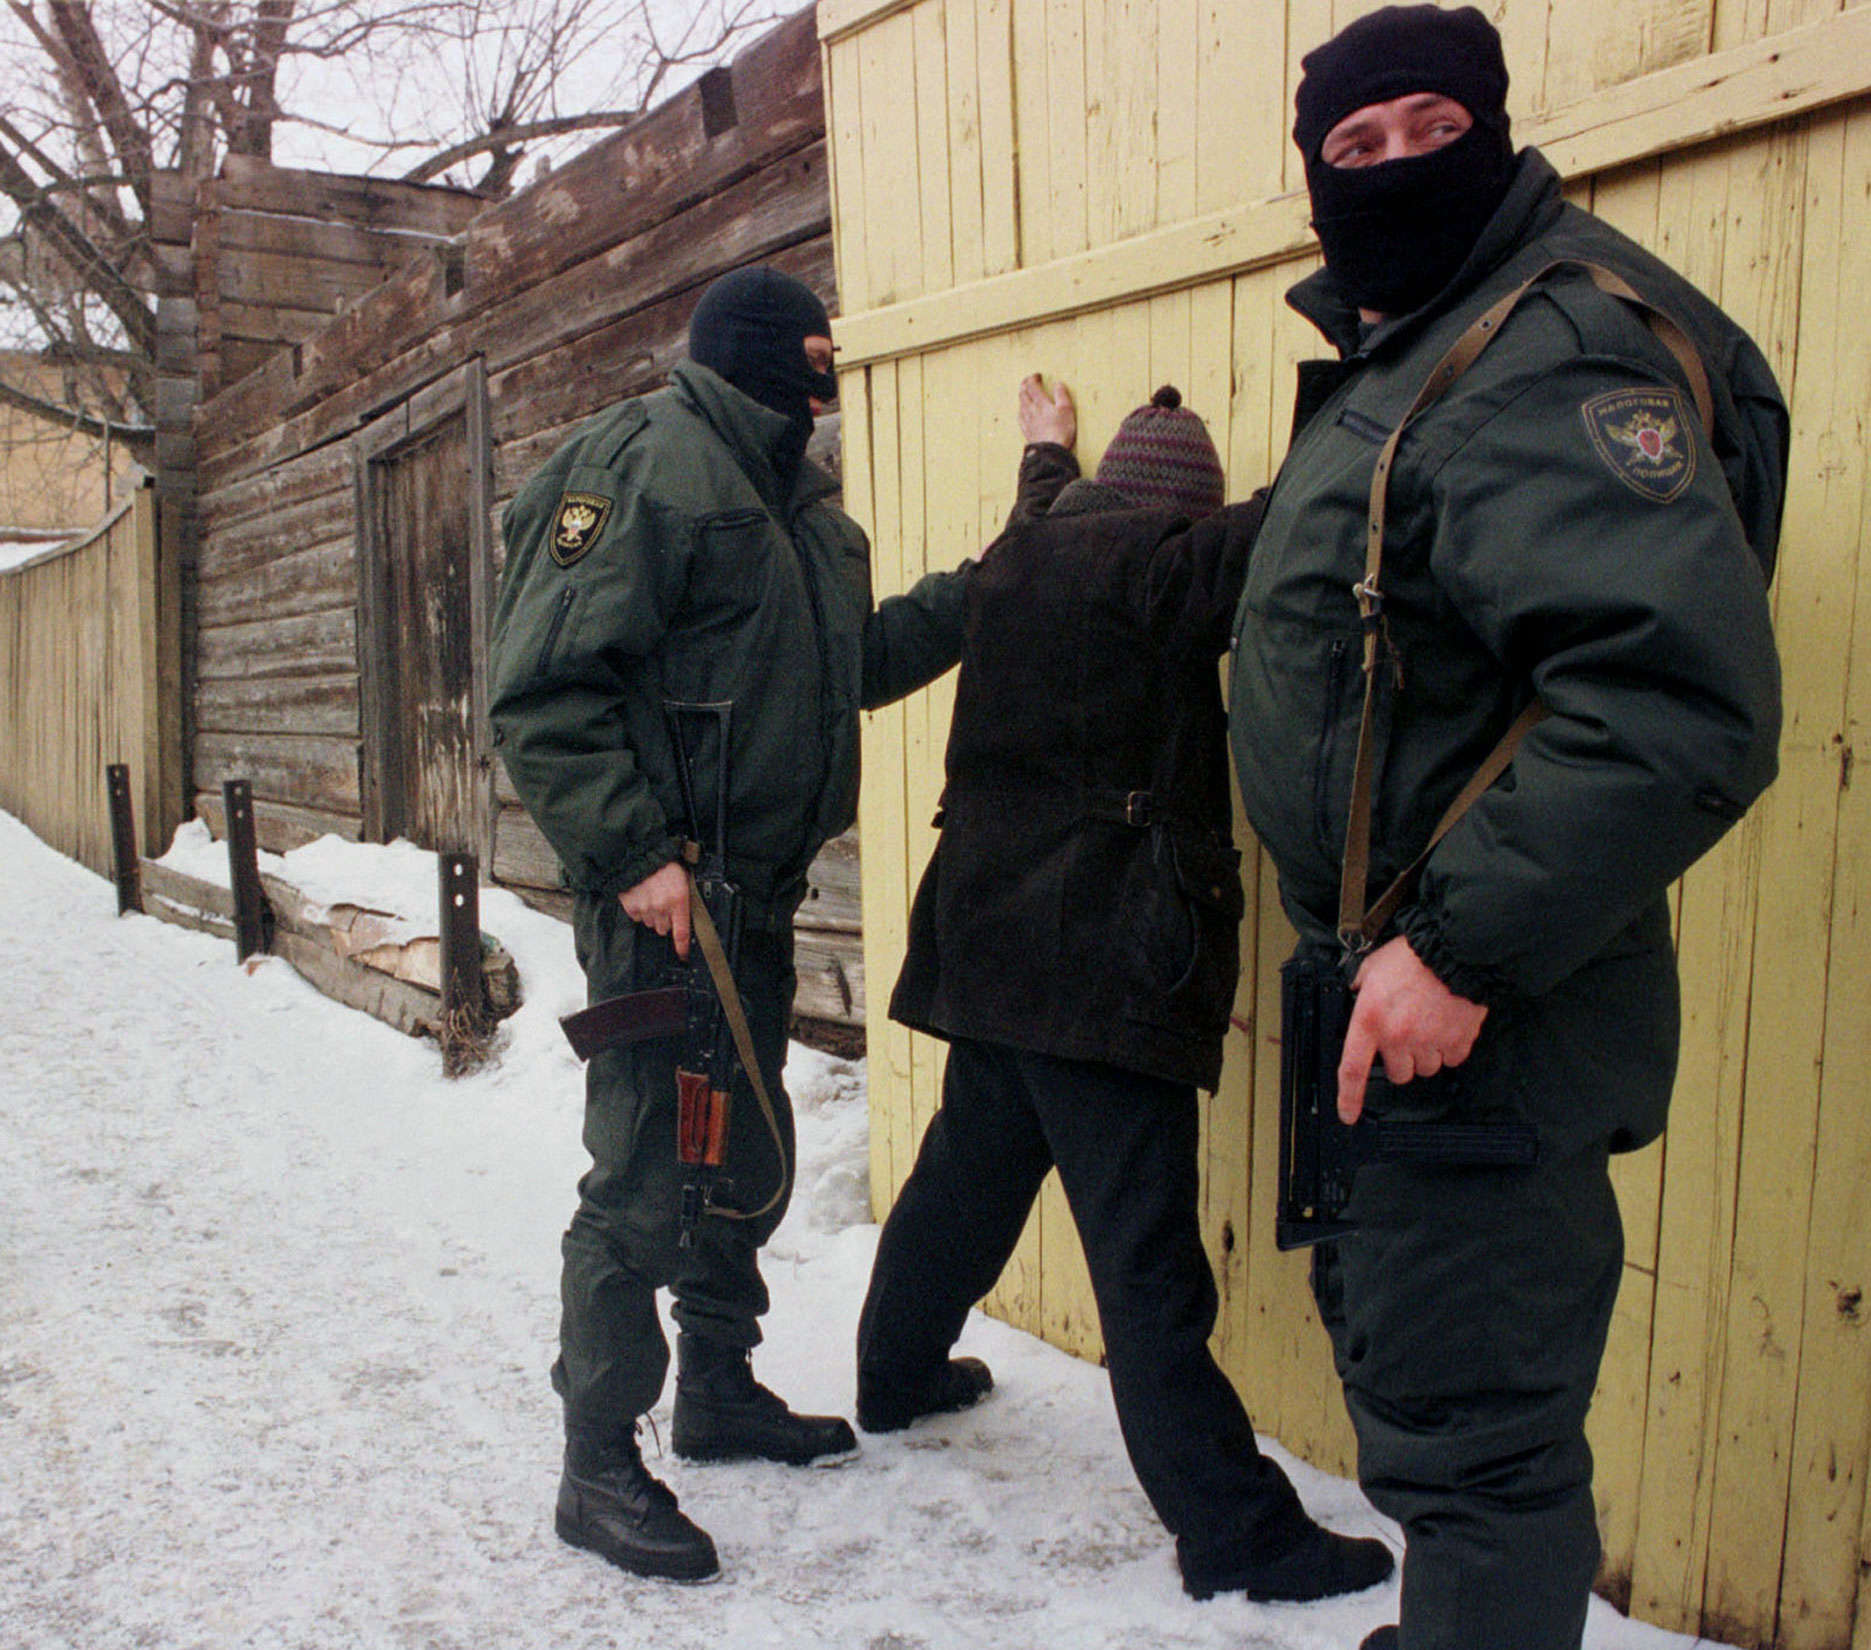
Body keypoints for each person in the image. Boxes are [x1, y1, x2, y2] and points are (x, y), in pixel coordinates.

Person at [1226, 9, 1785, 1648]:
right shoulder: (1436, 343)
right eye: (1357, 144)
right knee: (1436, 1410)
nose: (1396, 162)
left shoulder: (1543, 352)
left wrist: (1454, 947)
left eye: (1429, 125)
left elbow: (1673, 701)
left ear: (1493, 127)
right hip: (1412, 997)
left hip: (1471, 1010)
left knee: (1478, 1459)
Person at [855, 377, 1397, 1605]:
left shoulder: (1019, 552)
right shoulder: (1166, 572)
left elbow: (1055, 502)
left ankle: (893, 1375)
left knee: (961, 1186)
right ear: (1178, 515)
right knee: (1148, 1272)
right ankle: (1236, 1535)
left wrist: (1045, 450)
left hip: (988, 949)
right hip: (1104, 966)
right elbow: (1292, 515)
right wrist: (1373, 403)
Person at [488, 265, 984, 1583]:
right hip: (660, 907)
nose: (830, 381)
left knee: (731, 1152)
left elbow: (840, 671)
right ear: (769, 357)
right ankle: (595, 1463)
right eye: (816, 355)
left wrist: (975, 596)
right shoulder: (641, 460)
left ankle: (715, 1383)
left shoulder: (806, 510)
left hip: (751, 903)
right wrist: (633, 853)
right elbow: (539, 692)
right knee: (645, 1173)